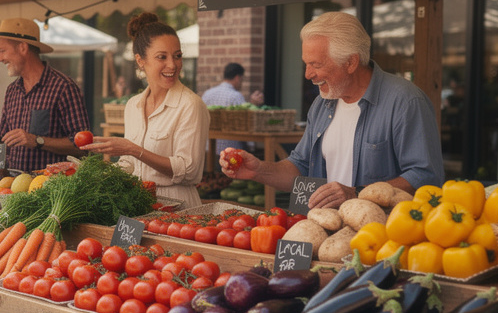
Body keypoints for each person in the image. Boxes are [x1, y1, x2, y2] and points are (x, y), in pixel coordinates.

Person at [219, 12, 442, 210]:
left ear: (351, 62)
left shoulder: (405, 101)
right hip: (325, 232)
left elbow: (425, 177)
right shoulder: (322, 104)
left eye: (316, 65)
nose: (308, 74)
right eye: (306, 64)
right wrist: (258, 170)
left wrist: (356, 193)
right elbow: (300, 166)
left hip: (380, 235)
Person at [85, 13, 210, 208]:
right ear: (140, 60)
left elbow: (189, 170)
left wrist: (133, 149)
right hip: (139, 203)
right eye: (162, 57)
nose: (173, 65)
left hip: (179, 208)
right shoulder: (133, 105)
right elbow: (129, 164)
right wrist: (99, 174)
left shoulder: (191, 105)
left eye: (177, 56)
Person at [0, 18, 91, 172]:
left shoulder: (63, 87)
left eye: (2, 51)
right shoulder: (12, 91)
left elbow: (83, 147)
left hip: (51, 185)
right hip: (13, 184)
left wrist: (37, 140)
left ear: (23, 48)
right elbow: (2, 140)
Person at [202, 62, 249, 152]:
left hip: (208, 148)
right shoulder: (236, 96)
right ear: (237, 78)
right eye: (242, 80)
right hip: (230, 152)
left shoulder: (207, 94)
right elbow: (245, 124)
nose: (241, 84)